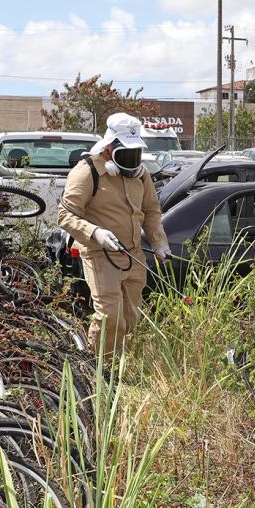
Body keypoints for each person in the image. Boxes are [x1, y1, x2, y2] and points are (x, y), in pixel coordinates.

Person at [58, 113, 171, 355]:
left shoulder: (141, 174)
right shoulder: (87, 172)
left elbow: (151, 211)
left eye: (136, 152)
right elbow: (65, 215)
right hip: (101, 256)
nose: (132, 158)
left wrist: (160, 243)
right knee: (110, 316)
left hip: (134, 255)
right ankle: (99, 366)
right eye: (126, 152)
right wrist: (95, 232)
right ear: (109, 148)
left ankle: (123, 365)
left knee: (131, 317)